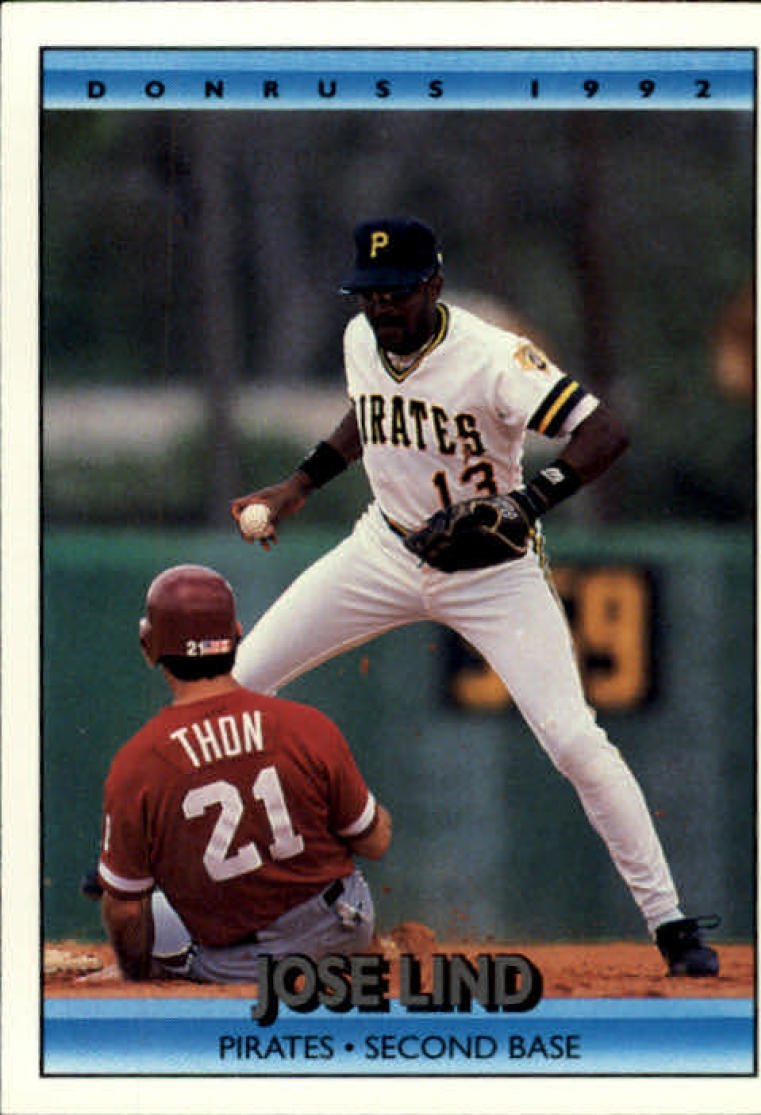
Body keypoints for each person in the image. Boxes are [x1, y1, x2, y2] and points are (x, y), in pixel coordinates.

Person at [230, 217, 718, 977]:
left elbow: (606, 430)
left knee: (574, 741)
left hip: (493, 569)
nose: (381, 307)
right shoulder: (364, 339)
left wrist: (530, 500)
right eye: (368, 293)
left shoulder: (492, 357)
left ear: (433, 284)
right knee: (235, 686)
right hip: (383, 547)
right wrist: (299, 483)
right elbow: (369, 412)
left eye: (395, 293)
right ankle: (171, 889)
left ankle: (673, 924)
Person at [95, 563, 392, 983]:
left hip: (240, 967)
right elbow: (374, 841)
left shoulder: (138, 761)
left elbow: (124, 907)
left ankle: (153, 981)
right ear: (236, 634)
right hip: (342, 932)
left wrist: (132, 977)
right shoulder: (305, 724)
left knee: (141, 905)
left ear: (149, 646)